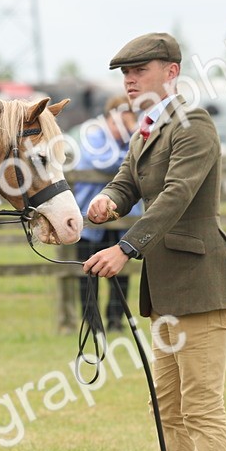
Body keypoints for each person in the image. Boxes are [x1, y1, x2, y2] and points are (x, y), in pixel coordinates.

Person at [83, 33, 226, 451]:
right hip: (169, 287)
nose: (130, 81)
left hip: (200, 282)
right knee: (168, 405)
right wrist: (107, 201)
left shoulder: (193, 126)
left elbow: (175, 196)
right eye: (125, 75)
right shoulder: (145, 131)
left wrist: (125, 247)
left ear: (171, 73)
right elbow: (127, 181)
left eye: (140, 71)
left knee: (201, 406)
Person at [71, 95, 141, 332]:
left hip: (122, 219)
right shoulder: (93, 138)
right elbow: (104, 162)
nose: (121, 128)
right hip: (90, 220)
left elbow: (142, 160)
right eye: (117, 122)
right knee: (88, 273)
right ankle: (92, 323)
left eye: (128, 121)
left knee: (119, 272)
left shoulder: (134, 140)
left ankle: (115, 320)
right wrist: (131, 160)